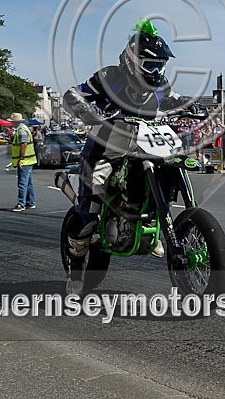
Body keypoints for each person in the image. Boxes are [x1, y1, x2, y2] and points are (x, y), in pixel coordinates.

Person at [62, 18, 202, 266]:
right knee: (93, 197)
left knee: (168, 169)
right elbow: (74, 94)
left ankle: (154, 224)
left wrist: (192, 105)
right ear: (132, 60)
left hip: (146, 142)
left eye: (161, 66)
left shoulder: (161, 85)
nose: (157, 72)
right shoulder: (110, 76)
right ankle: (77, 242)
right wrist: (88, 113)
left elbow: (172, 99)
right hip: (107, 145)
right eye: (151, 65)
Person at [9, 113, 37, 211]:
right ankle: (31, 202)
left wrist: (20, 159)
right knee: (29, 183)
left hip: (25, 161)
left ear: (15, 122)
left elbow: (23, 145)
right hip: (29, 159)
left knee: (22, 183)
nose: (11, 124)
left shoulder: (21, 131)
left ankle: (21, 204)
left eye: (11, 122)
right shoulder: (24, 129)